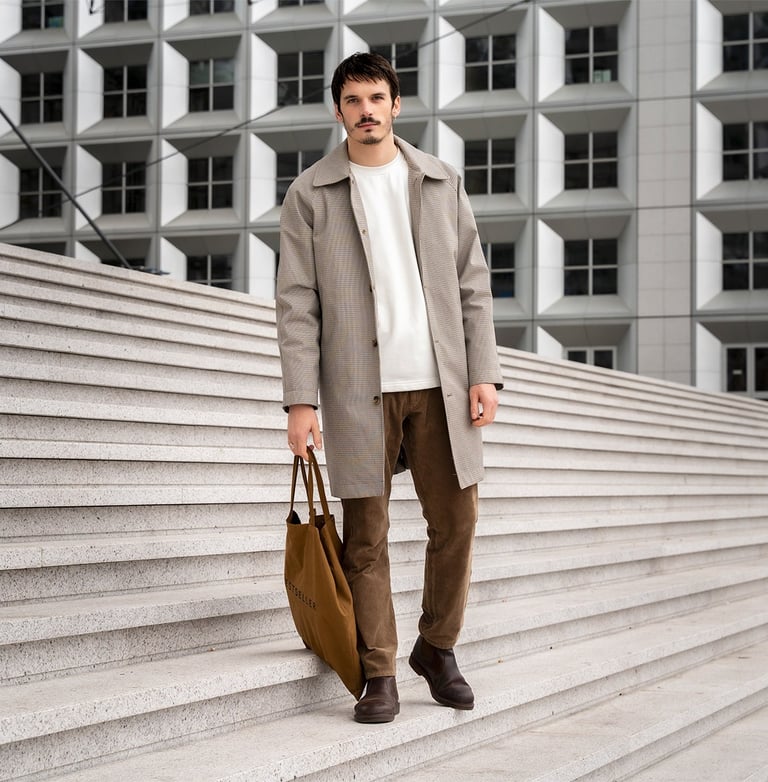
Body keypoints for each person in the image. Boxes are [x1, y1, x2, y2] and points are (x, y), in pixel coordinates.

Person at [276, 52, 503, 724]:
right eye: (353, 100)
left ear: (396, 104)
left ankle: (437, 648)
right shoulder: (310, 193)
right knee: (365, 537)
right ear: (337, 109)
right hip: (356, 390)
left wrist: (484, 371)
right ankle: (379, 673)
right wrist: (300, 400)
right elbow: (296, 302)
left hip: (440, 383)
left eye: (377, 98)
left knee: (457, 521)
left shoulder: (439, 180)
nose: (367, 111)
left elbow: (472, 282)